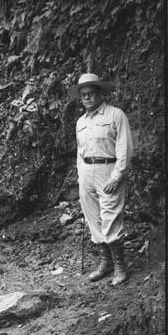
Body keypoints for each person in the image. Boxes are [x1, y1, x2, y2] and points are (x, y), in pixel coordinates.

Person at [69, 72, 133, 286]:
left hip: (108, 169)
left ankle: (120, 267)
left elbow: (124, 149)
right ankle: (105, 263)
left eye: (91, 93)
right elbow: (80, 152)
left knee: (110, 216)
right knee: (93, 218)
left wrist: (117, 175)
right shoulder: (80, 122)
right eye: (83, 94)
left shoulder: (115, 115)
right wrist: (81, 177)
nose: (87, 98)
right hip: (86, 171)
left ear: (100, 93)